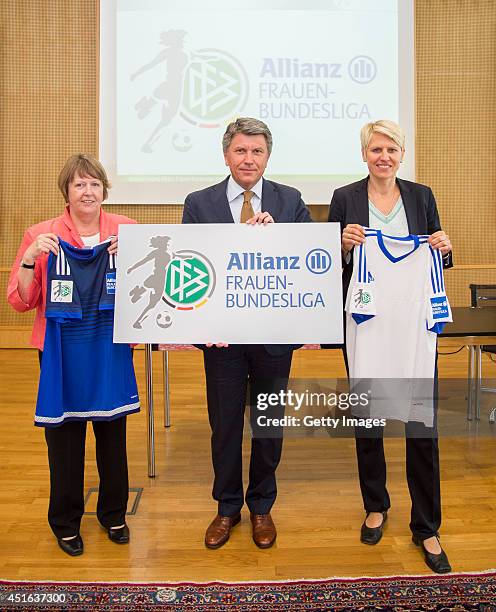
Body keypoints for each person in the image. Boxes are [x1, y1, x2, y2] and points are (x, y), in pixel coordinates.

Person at [328, 120, 453, 574]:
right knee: (369, 414)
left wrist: (443, 245)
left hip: (413, 322)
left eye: (392, 149)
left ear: (402, 154)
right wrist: (342, 246)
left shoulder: (422, 196)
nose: (384, 156)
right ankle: (375, 504)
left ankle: (427, 525)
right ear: (365, 154)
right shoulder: (345, 198)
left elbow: (440, 252)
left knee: (421, 421)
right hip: (365, 320)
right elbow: (329, 260)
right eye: (376, 149)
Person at [182, 117, 311, 549]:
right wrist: (201, 326)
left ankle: (261, 506)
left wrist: (280, 239)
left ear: (267, 157)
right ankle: (226, 508)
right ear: (226, 155)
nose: (248, 159)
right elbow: (188, 266)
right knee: (224, 425)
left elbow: (311, 258)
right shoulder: (199, 203)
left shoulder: (289, 200)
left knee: (268, 424)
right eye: (240, 151)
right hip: (222, 338)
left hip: (274, 335)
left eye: (256, 152)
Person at [7, 154, 139, 556]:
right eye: (79, 184)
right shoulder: (41, 234)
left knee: (112, 436)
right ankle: (65, 521)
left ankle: (113, 513)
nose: (87, 191)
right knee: (64, 439)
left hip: (109, 348)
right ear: (66, 192)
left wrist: (132, 258)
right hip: (61, 352)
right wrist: (31, 259)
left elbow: (156, 290)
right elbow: (20, 300)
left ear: (104, 190)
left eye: (95, 184)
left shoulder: (128, 230)